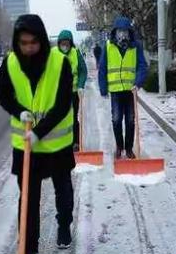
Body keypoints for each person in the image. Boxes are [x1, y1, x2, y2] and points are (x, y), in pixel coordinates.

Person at [0, 14, 75, 254]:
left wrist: (40, 132)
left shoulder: (60, 63)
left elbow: (64, 103)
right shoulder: (9, 63)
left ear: (42, 39)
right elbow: (3, 95)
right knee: (28, 200)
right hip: (25, 147)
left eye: (33, 42)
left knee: (63, 189)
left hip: (56, 144)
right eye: (23, 43)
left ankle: (64, 225)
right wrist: (19, 111)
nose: (28, 47)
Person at [98, 17, 148, 159]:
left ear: (129, 32)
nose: (123, 35)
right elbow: (102, 68)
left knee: (131, 120)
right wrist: (103, 87)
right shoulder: (108, 46)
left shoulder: (136, 46)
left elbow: (142, 66)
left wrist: (138, 83)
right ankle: (119, 146)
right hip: (115, 91)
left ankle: (129, 148)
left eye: (125, 32)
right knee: (116, 119)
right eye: (120, 31)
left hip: (130, 90)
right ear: (115, 32)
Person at [56, 30, 88, 151]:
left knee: (73, 118)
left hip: (73, 92)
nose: (65, 46)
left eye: (67, 43)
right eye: (62, 43)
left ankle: (75, 142)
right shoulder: (53, 54)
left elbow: (83, 71)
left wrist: (80, 85)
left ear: (70, 43)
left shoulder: (76, 53)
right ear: (59, 44)